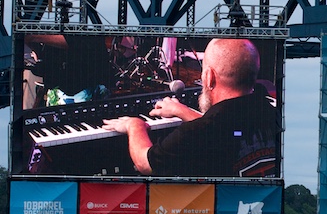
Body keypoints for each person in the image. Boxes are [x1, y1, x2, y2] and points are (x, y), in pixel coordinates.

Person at [103, 38, 280, 177]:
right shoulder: (271, 112)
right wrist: (182, 111)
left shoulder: (198, 132)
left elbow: (145, 163)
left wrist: (134, 126)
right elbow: (227, 131)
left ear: (209, 77)